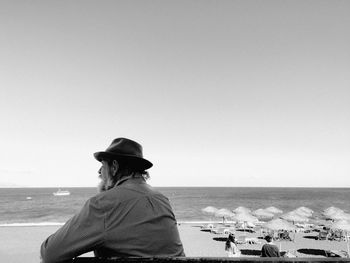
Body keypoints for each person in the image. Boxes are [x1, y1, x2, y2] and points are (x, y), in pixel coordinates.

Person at [40, 137, 185, 263]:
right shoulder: (162, 200)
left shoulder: (103, 204)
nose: (99, 172)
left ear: (114, 167)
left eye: (102, 166)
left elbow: (50, 253)